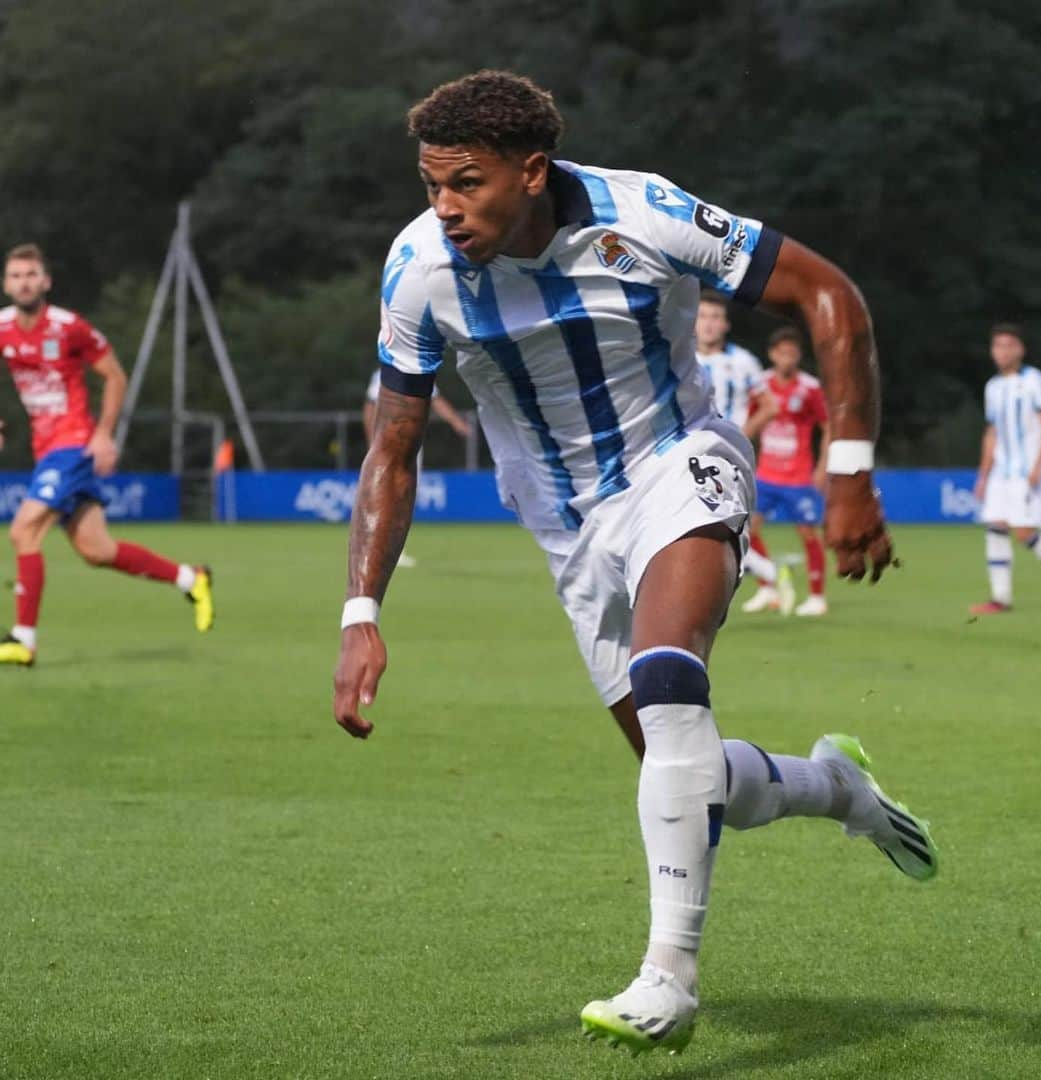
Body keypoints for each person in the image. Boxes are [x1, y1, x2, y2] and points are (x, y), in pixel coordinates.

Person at [332, 72, 933, 1056]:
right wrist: (361, 614)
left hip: (677, 465)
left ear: (532, 172)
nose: (444, 207)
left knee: (668, 682)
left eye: (465, 184)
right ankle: (839, 789)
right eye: (432, 184)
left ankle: (670, 979)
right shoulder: (417, 272)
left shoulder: (643, 213)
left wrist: (852, 473)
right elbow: (391, 451)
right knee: (688, 775)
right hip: (566, 531)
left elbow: (829, 293)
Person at [0, 244, 214, 667]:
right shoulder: (4, 327)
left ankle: (23, 639)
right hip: (47, 449)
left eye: (31, 275)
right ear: (6, 284)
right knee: (96, 550)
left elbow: (114, 375)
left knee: (24, 531)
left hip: (74, 444)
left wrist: (103, 434)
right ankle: (192, 578)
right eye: (16, 276)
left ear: (45, 282)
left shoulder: (68, 327)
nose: (24, 282)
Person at [971, 323, 1041, 614]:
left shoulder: (1035, 381)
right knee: (995, 527)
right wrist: (983, 475)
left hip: (1027, 469)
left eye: (1009, 345)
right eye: (998, 346)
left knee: (1025, 532)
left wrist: (1039, 464)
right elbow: (992, 432)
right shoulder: (992, 387)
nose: (1002, 351)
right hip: (1000, 473)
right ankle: (1000, 598)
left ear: (1020, 349)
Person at [694, 291, 793, 609]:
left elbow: (770, 407)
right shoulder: (679, 357)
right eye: (702, 317)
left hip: (726, 458)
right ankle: (766, 574)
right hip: (687, 455)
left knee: (716, 525)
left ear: (725, 324)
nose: (708, 324)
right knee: (714, 526)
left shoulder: (743, 362)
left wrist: (737, 435)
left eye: (714, 317)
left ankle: (760, 576)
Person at [741, 327, 830, 617]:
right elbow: (750, 422)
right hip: (766, 473)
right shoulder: (762, 384)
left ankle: (817, 596)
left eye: (792, 353)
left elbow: (827, 426)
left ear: (799, 356)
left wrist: (822, 466)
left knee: (808, 533)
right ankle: (768, 587)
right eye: (782, 353)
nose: (787, 358)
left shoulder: (810, 387)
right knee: (747, 529)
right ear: (772, 355)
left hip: (798, 475)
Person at [363, 368, 473, 568]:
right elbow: (370, 408)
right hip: (388, 441)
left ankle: (389, 548)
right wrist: (373, 440)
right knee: (391, 494)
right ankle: (382, 549)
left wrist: (457, 423)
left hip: (410, 442)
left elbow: (436, 399)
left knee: (401, 495)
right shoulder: (383, 372)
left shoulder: (418, 366)